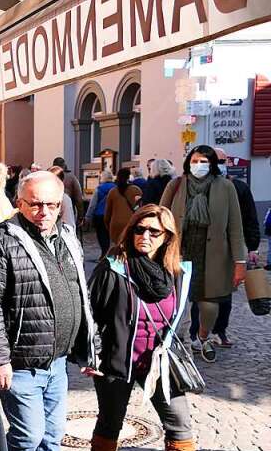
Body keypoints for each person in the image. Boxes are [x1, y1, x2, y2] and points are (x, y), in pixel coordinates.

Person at [0, 171, 96, 451]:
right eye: (36, 204)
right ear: (20, 203)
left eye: (52, 204)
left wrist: (91, 349)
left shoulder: (66, 238)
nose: (44, 211)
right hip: (21, 361)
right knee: (28, 434)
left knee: (50, 439)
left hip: (56, 363)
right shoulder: (4, 241)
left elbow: (80, 296)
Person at [86, 204, 200, 451]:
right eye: (139, 229)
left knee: (180, 424)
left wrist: (182, 356)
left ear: (168, 237)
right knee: (111, 423)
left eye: (154, 231)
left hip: (159, 364)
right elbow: (89, 314)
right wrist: (94, 355)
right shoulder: (113, 268)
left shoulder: (178, 274)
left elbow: (181, 321)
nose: (145, 236)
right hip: (116, 362)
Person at [161, 145, 246, 363]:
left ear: (213, 164)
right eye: (195, 161)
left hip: (213, 254)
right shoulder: (177, 184)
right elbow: (160, 217)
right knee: (179, 302)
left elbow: (235, 227)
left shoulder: (225, 187)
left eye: (204, 161)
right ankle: (179, 342)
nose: (199, 165)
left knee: (209, 305)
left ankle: (203, 337)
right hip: (181, 250)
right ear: (188, 162)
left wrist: (240, 261)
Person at [206, 148, 262, 347]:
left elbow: (250, 219)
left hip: (229, 250)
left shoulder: (239, 188)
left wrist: (253, 247)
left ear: (227, 162)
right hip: (203, 249)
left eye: (220, 160)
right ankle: (198, 333)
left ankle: (219, 330)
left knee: (225, 294)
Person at [104, 166, 142, 248]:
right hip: (131, 224)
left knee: (118, 249)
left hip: (115, 225)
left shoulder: (113, 192)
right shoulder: (136, 190)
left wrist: (108, 226)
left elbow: (107, 213)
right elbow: (139, 208)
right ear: (129, 177)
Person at [85, 169, 116, 256]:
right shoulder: (116, 188)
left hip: (100, 215)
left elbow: (92, 204)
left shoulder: (99, 189)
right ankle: (110, 253)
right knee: (111, 235)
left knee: (102, 235)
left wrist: (88, 217)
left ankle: (104, 252)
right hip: (112, 215)